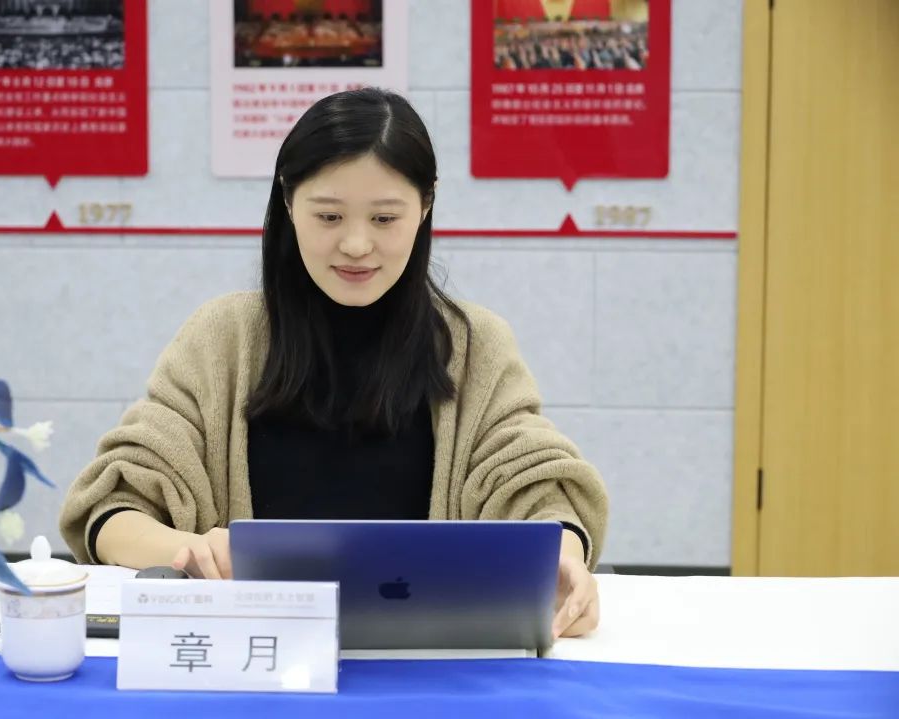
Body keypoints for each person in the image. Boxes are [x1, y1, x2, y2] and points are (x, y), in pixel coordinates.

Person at [59, 88, 609, 639]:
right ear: (288, 201)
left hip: (423, 657)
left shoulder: (473, 347)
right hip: (255, 656)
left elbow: (543, 494)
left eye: (384, 218)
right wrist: (191, 550)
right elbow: (115, 504)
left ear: (426, 205)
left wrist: (562, 560)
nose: (355, 244)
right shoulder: (222, 339)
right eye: (328, 215)